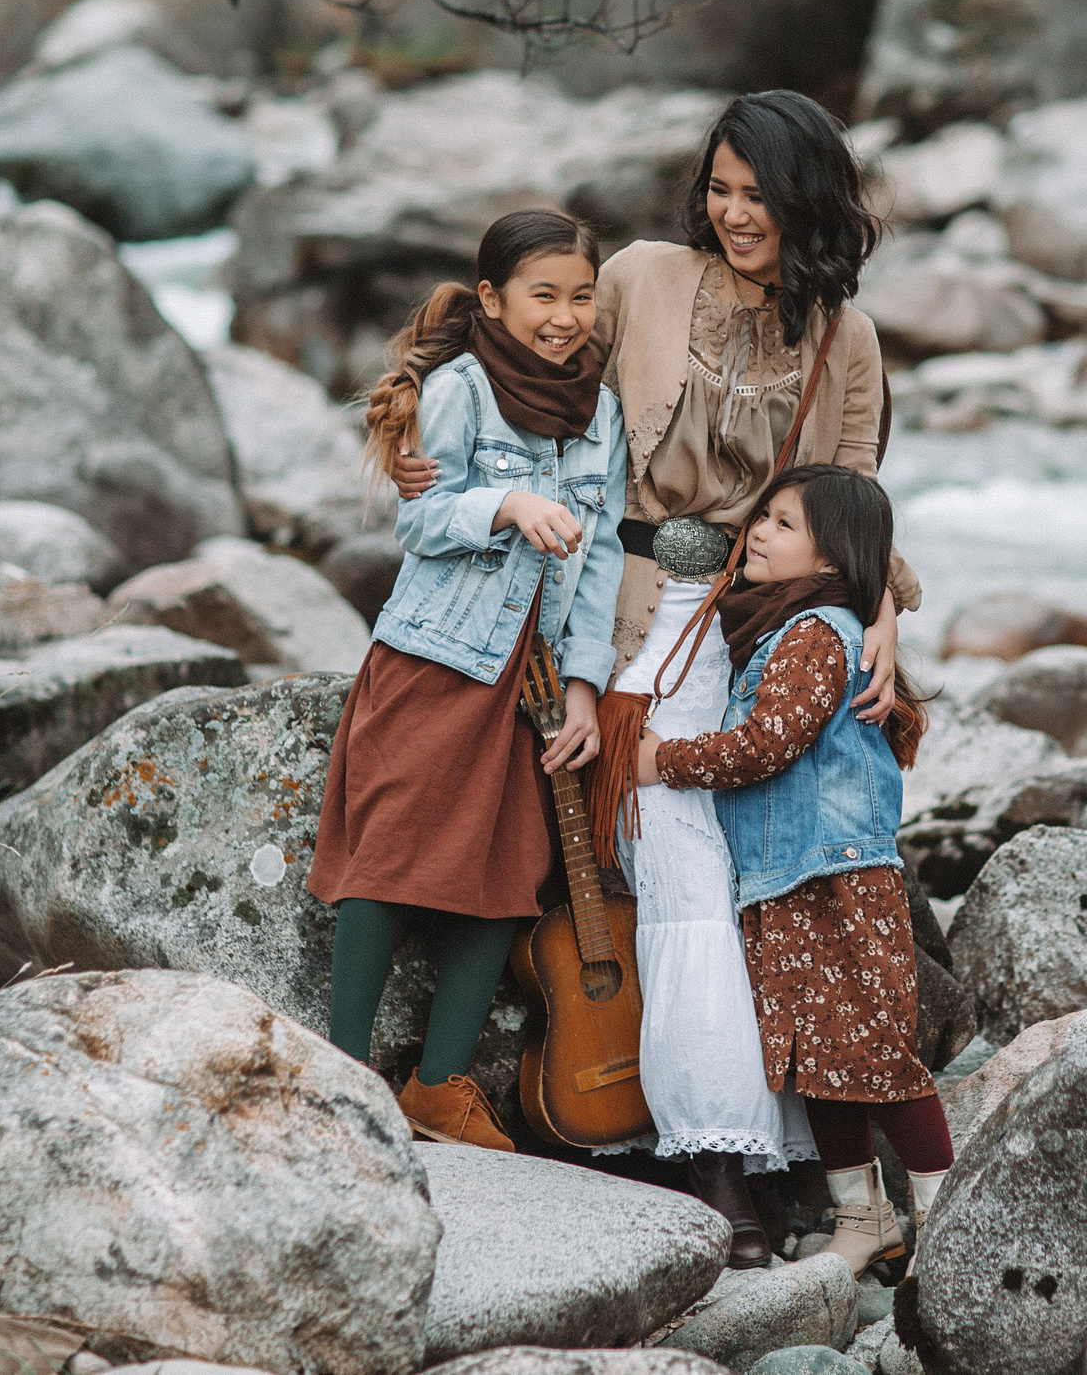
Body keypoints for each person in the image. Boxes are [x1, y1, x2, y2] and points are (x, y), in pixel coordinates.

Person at [395, 90, 916, 1264]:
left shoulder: (848, 335)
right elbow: (524, 347)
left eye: (758, 195)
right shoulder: (637, 273)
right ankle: (718, 1157)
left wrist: (881, 617)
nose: (733, 213)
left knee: (765, 869)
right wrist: (425, 427)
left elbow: (856, 506)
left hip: (768, 623)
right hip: (626, 606)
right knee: (677, 843)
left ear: (809, 202)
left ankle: (801, 1163)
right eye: (719, 188)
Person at [309, 208, 625, 1153]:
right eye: (544, 296)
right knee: (390, 855)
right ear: (492, 299)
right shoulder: (459, 391)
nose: (565, 316)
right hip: (438, 656)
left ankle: (439, 1086)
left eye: (581, 296)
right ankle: (341, 1071)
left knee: (510, 873)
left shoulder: (600, 411)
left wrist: (585, 686)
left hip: (529, 679)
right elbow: (418, 522)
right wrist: (507, 502)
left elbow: (601, 553)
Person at [634, 464, 950, 1276]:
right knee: (815, 1057)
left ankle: (948, 1219)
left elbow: (768, 744)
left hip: (840, 884)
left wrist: (661, 759)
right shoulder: (781, 627)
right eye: (762, 518)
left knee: (878, 1056)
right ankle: (862, 1216)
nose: (757, 533)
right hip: (787, 884)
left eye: (780, 523)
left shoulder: (816, 634)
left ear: (832, 558)